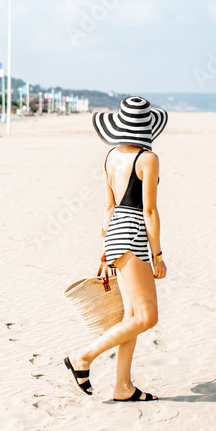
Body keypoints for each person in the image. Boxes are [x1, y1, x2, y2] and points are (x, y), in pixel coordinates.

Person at [64, 96, 168, 402]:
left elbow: (109, 206)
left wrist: (106, 247)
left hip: (115, 234)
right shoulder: (147, 159)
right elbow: (149, 211)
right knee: (148, 316)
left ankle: (123, 386)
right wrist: (157, 256)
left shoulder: (110, 157)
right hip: (133, 233)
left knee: (132, 315)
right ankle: (83, 357)